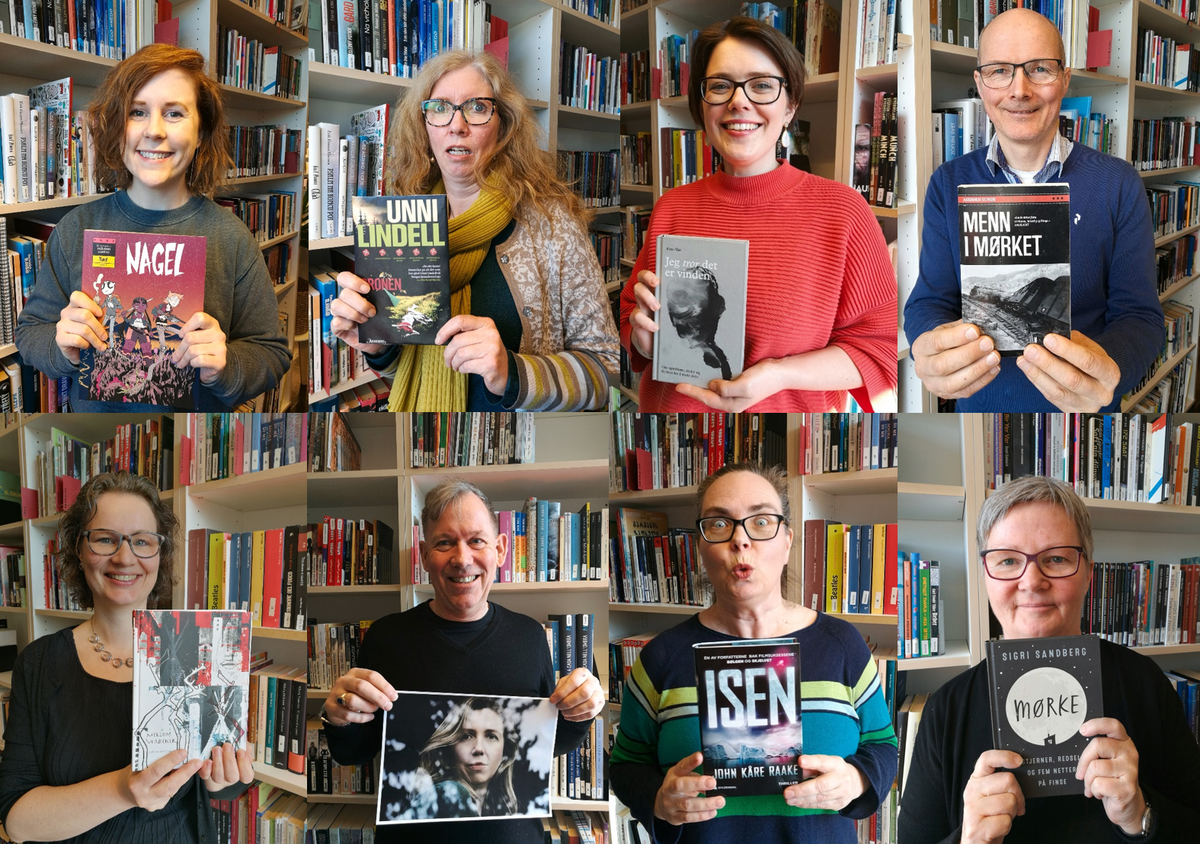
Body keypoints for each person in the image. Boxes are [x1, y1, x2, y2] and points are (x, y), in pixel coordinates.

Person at [898, 475, 1200, 843]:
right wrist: (968, 839)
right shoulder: (946, 710)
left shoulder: (1145, 684)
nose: (1031, 581)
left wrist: (1141, 814)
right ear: (986, 576)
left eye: (1056, 558)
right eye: (1008, 560)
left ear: (1088, 573)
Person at [620, 16, 897, 413]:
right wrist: (644, 338)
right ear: (702, 105)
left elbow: (878, 350)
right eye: (720, 85)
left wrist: (780, 375)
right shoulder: (672, 206)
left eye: (762, 85)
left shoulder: (844, 211)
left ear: (790, 106)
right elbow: (630, 316)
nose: (739, 101)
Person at [610, 462, 898, 843]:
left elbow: (884, 747)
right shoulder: (660, 658)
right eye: (719, 523)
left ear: (787, 542)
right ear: (700, 546)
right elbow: (625, 766)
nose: (740, 540)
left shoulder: (843, 645)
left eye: (760, 521)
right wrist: (658, 799)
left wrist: (857, 779)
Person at [328, 49, 619, 411]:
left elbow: (607, 370)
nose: (457, 125)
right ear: (424, 128)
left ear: (503, 126)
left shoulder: (553, 224)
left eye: (477, 107)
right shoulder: (405, 224)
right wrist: (377, 345)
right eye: (440, 108)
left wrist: (513, 373)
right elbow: (406, 365)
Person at [320, 478, 606, 844]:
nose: (462, 558)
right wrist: (338, 717)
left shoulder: (530, 636)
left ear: (500, 549)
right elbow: (353, 753)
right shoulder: (385, 637)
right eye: (444, 542)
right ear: (424, 555)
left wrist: (581, 712)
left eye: (476, 540)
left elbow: (550, 743)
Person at [904, 9, 1163, 412]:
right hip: (980, 412)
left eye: (1039, 68)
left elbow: (1142, 319)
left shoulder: (1119, 183)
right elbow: (928, 302)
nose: (1019, 90)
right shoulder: (947, 182)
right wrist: (928, 344)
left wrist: (1111, 368)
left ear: (1065, 79)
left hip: (1082, 415)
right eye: (999, 71)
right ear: (980, 84)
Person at [15, 44, 290, 411]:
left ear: (201, 129)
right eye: (137, 112)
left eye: (174, 113)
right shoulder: (76, 228)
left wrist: (226, 367)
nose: (155, 131)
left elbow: (272, 354)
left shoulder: (232, 237)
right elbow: (30, 333)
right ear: (117, 127)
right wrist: (60, 346)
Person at [0, 472, 254, 843]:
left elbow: (221, 784)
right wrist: (122, 789)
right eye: (105, 539)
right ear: (79, 551)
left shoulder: (201, 651)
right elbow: (16, 821)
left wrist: (223, 778)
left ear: (160, 555)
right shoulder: (38, 663)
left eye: (142, 541)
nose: (124, 557)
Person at [416, 697, 520, 819]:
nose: (479, 749)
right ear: (449, 748)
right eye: (467, 736)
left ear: (505, 750)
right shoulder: (450, 793)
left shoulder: (493, 808)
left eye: (491, 736)